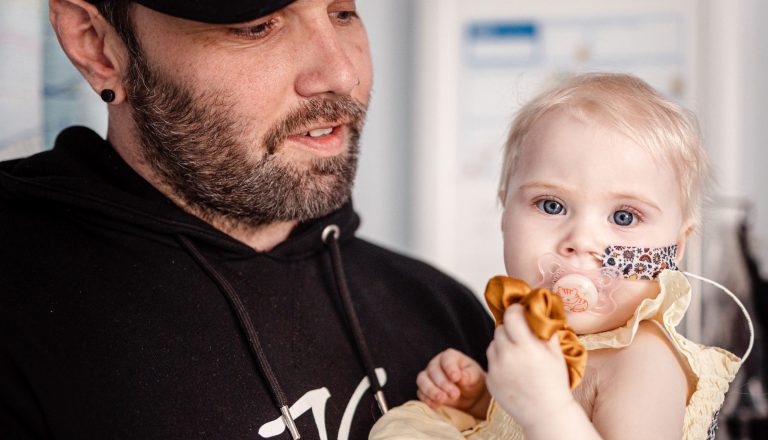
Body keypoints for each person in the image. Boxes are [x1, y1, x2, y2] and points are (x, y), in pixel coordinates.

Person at [0, 1, 494, 438]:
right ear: (96, 45)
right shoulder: (23, 310)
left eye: (342, 12)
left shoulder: (441, 312)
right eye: (258, 26)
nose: (341, 74)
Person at [369, 73, 747, 440]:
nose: (581, 241)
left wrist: (544, 409)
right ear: (504, 210)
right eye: (551, 205)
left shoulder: (642, 361)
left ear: (675, 249)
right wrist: (484, 400)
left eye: (624, 217)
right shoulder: (542, 337)